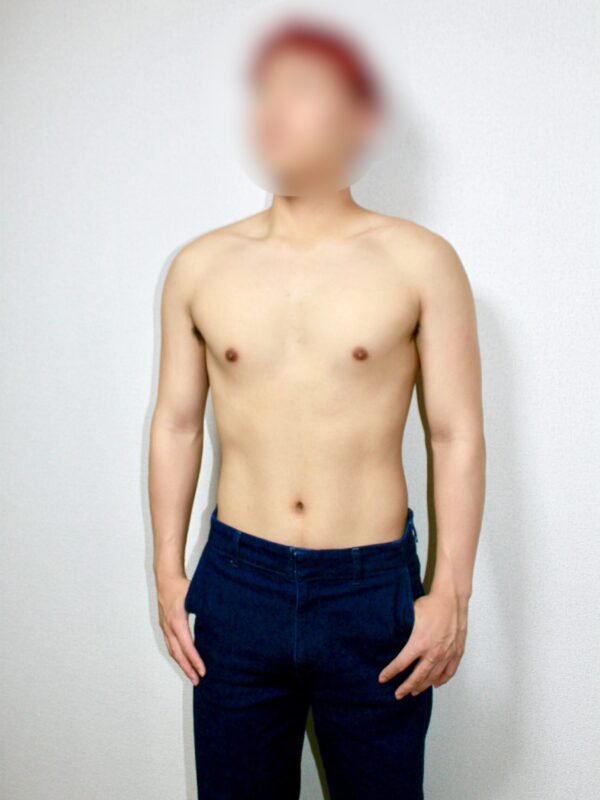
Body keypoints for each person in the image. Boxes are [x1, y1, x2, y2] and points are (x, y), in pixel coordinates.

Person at [148, 19, 485, 800]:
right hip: (239, 582)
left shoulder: (420, 261)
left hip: (370, 592)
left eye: (299, 89)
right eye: (263, 90)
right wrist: (167, 569)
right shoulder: (200, 266)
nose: (272, 108)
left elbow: (456, 434)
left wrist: (451, 593)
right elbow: (176, 423)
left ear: (358, 116)